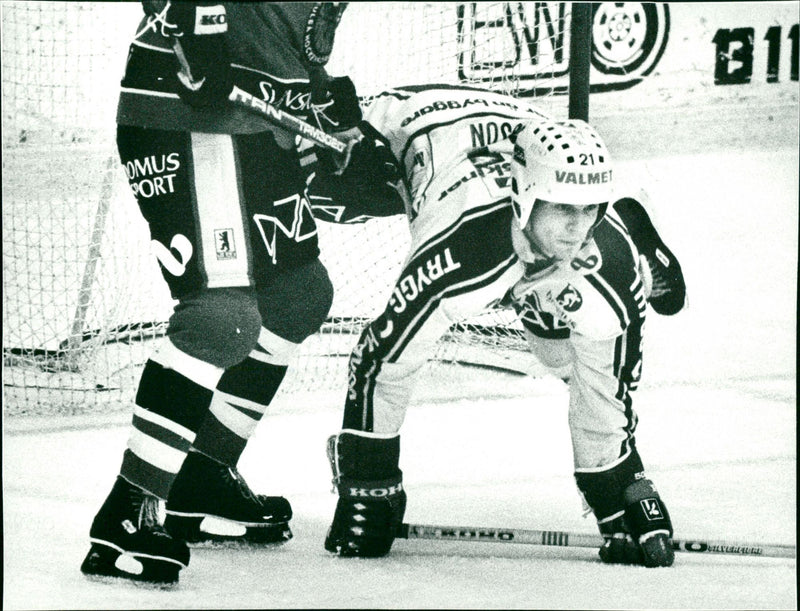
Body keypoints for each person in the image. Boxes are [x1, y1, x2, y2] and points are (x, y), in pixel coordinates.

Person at [310, 84, 687, 568]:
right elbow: (381, 356)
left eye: (591, 208)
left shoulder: (608, 265)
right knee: (310, 187)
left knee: (559, 353)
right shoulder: (460, 250)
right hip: (404, 124)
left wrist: (615, 481)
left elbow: (604, 388)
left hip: (515, 128)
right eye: (563, 208)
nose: (579, 228)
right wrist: (370, 482)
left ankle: (627, 225)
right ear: (527, 196)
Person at [81, 1, 369, 584]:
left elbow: (304, 32)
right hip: (188, 112)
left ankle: (204, 473)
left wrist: (323, 98)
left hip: (259, 125)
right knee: (220, 319)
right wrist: (198, 23)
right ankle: (127, 512)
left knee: (299, 295)